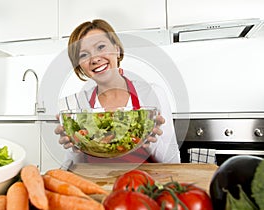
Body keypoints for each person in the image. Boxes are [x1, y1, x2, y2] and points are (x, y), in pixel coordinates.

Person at [54, 19, 180, 163]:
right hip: (97, 183)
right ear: (80, 66)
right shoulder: (75, 105)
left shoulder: (152, 93)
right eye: (84, 55)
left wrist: (150, 140)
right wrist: (74, 148)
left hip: (142, 183)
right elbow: (74, 167)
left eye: (101, 47)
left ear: (117, 49)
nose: (94, 59)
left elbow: (172, 161)